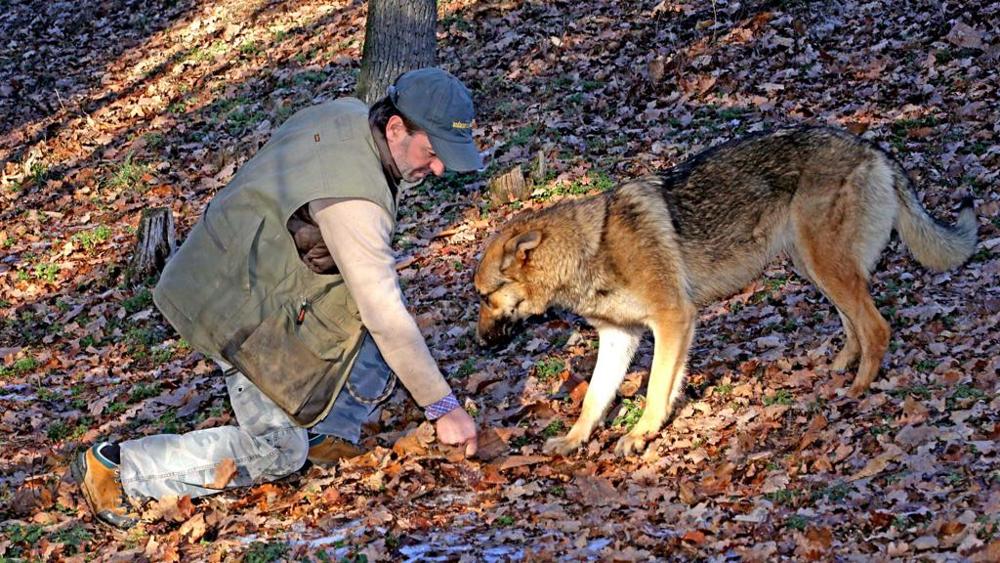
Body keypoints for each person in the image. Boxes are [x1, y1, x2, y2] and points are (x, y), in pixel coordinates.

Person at [73, 68, 481, 528]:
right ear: (395, 128)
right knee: (279, 450)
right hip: (231, 301)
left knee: (374, 347)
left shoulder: (350, 115)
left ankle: (328, 436)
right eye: (433, 151)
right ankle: (122, 469)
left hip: (245, 268)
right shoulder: (353, 197)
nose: (440, 168)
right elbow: (385, 314)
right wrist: (443, 407)